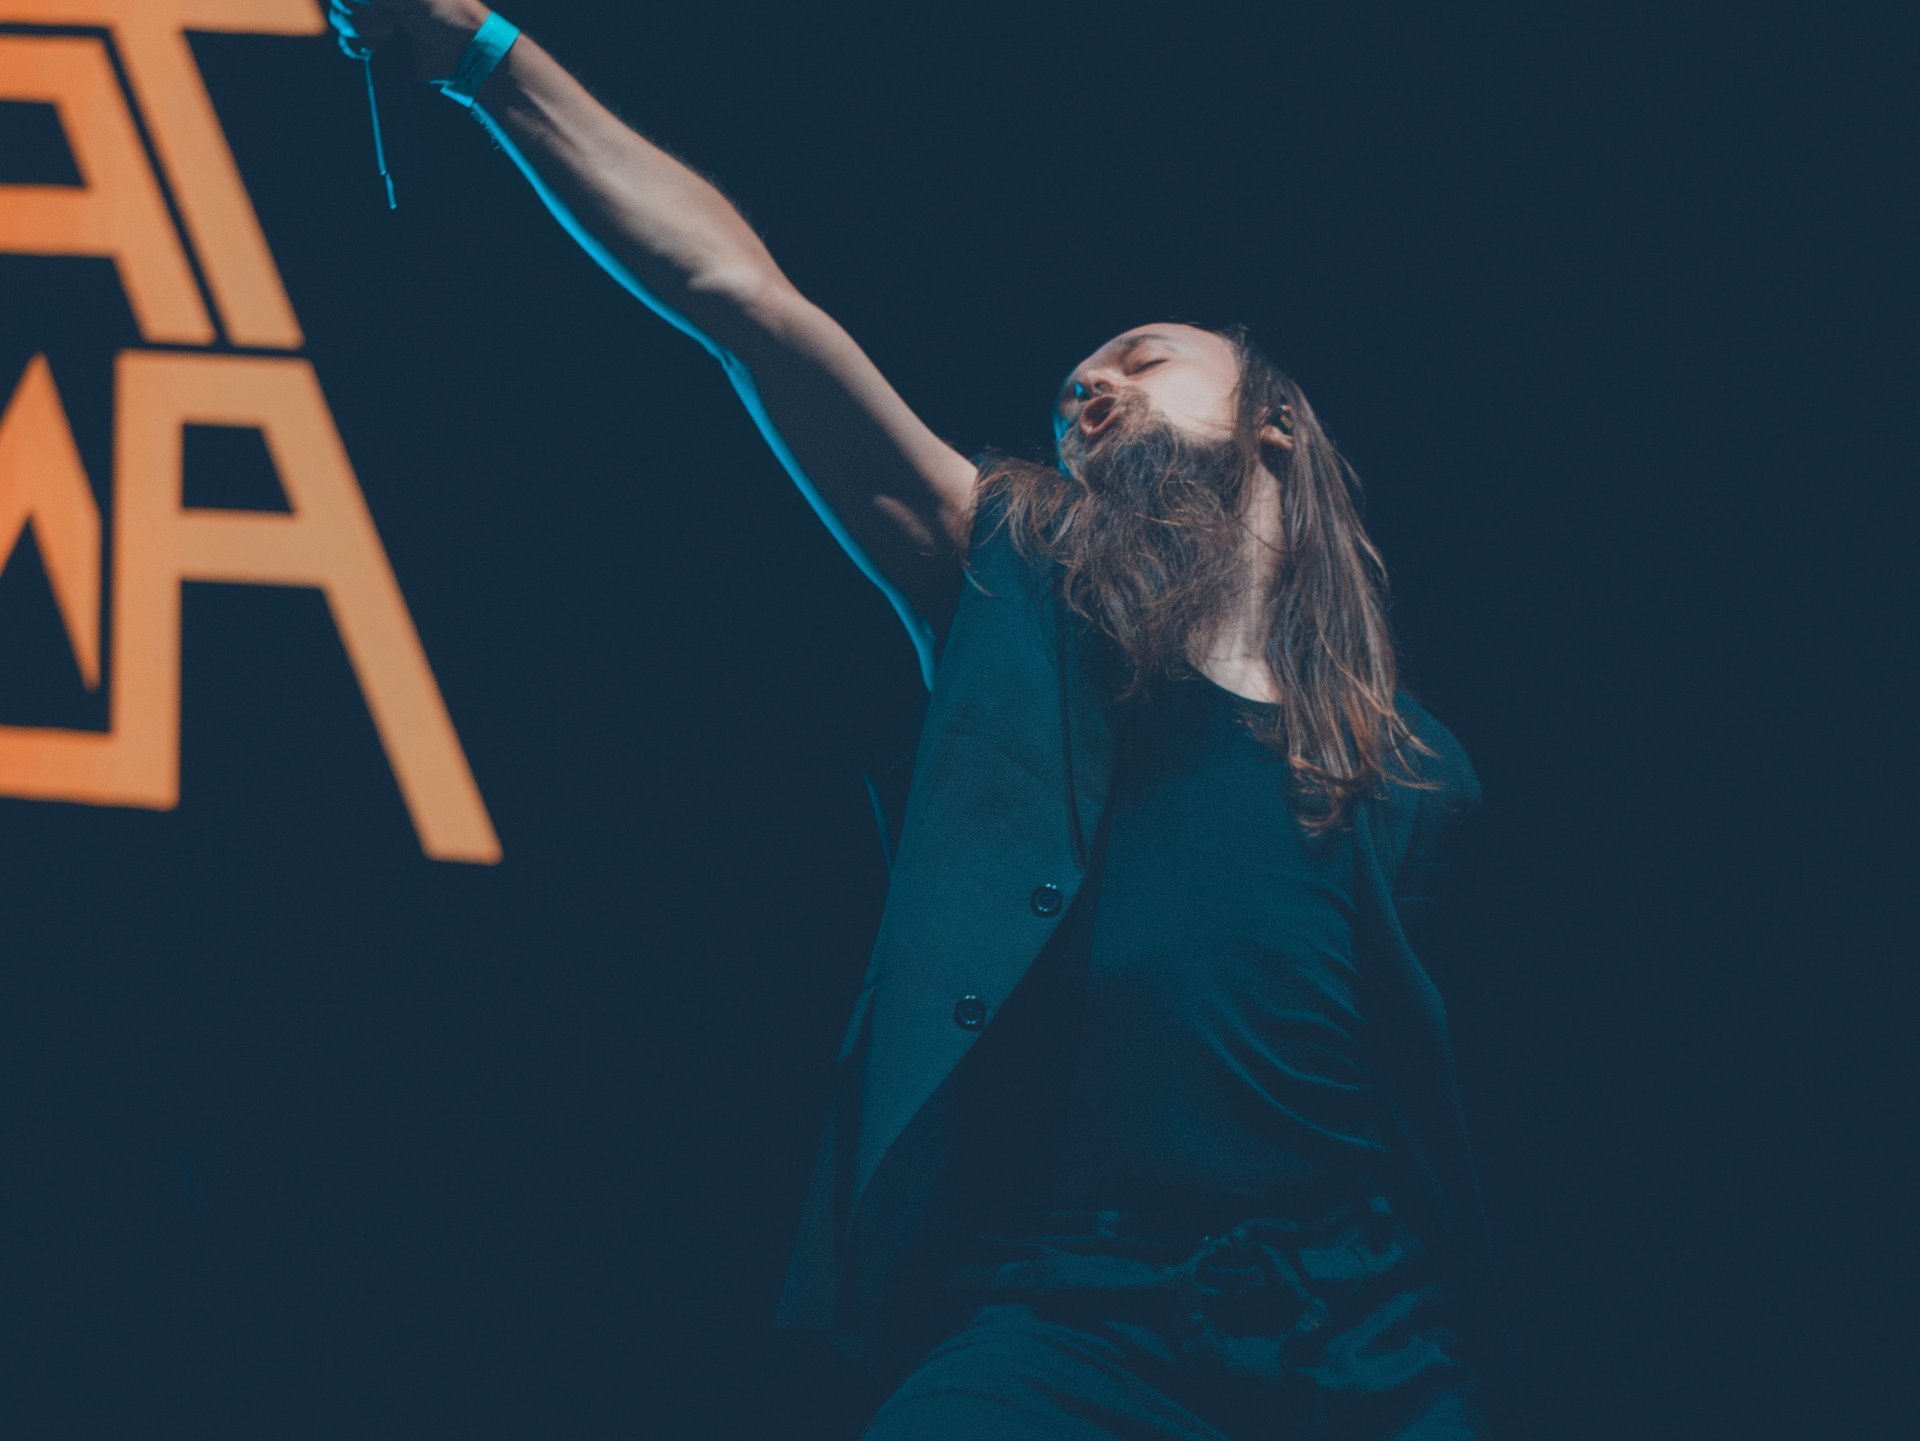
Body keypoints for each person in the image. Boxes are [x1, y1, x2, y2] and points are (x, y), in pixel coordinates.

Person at [328, 7, 1525, 1438]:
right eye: (1074, 391)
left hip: (1365, 1339)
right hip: (1074, 1317)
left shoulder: (1417, 772)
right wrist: (477, 51)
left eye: (1142, 361)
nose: (1089, 392)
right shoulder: (1019, 592)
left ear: (1278, 426)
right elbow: (745, 301)